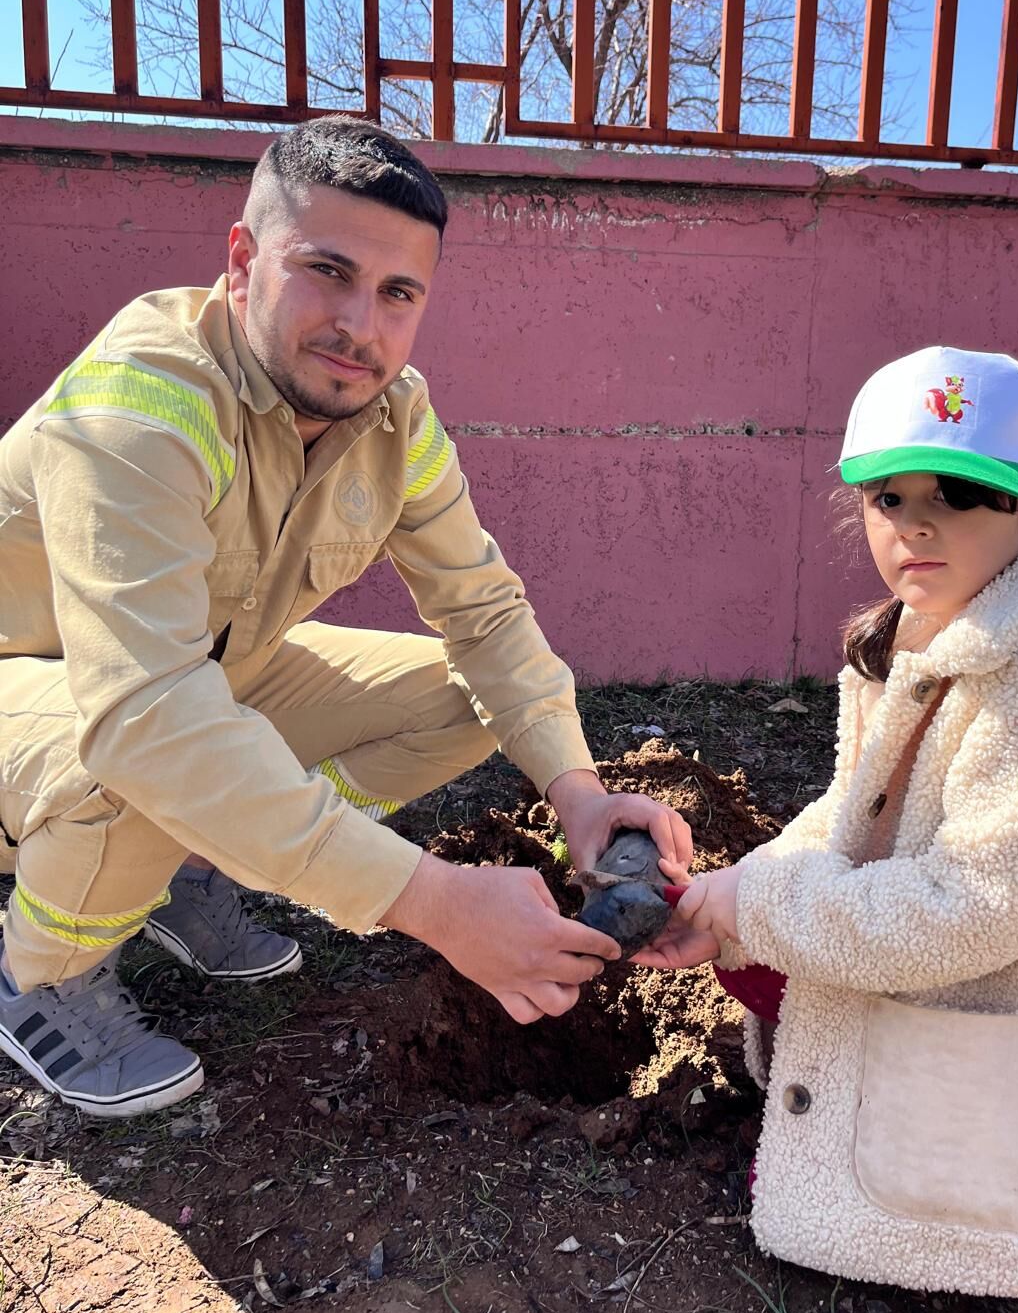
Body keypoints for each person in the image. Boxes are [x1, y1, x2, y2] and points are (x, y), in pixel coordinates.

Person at [0, 115, 691, 1119]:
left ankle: (188, 862)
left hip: (183, 677)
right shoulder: (141, 402)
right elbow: (147, 713)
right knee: (147, 762)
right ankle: (39, 974)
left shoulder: (391, 415)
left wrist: (577, 791)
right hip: (43, 687)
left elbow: (485, 612)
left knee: (463, 699)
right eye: (326, 271)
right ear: (242, 262)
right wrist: (430, 900)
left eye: (398, 293)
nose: (360, 325)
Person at [640, 346, 1018, 1313]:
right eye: (888, 497)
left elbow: (974, 906)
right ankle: (847, 1101)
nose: (918, 525)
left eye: (965, 494)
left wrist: (758, 901)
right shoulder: (923, 631)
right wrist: (736, 897)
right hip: (969, 937)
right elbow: (855, 812)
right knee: (761, 948)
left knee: (985, 1189)